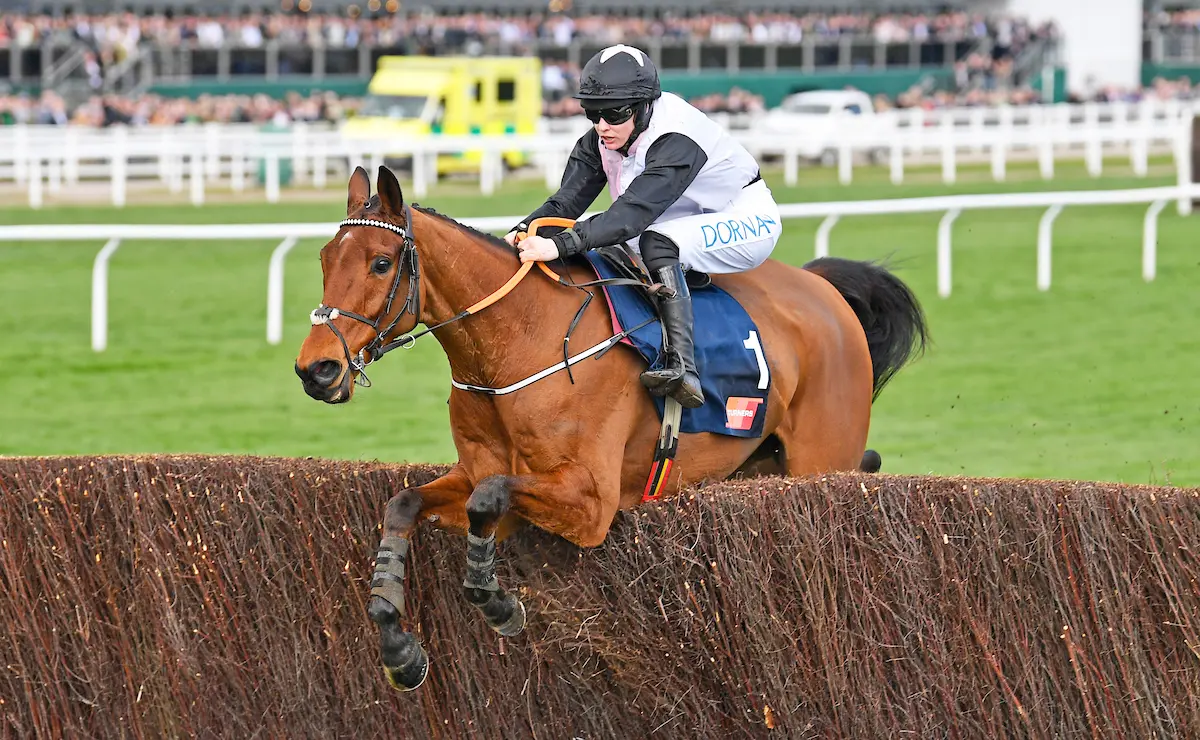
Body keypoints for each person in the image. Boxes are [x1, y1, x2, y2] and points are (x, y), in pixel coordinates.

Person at [506, 44, 781, 410]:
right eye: (592, 113)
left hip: (744, 216)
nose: (602, 125)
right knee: (610, 251)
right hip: (679, 216)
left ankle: (683, 368)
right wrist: (523, 231)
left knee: (655, 242)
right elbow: (565, 204)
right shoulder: (603, 137)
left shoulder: (677, 137)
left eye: (614, 113)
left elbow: (629, 217)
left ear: (645, 106)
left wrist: (559, 245)